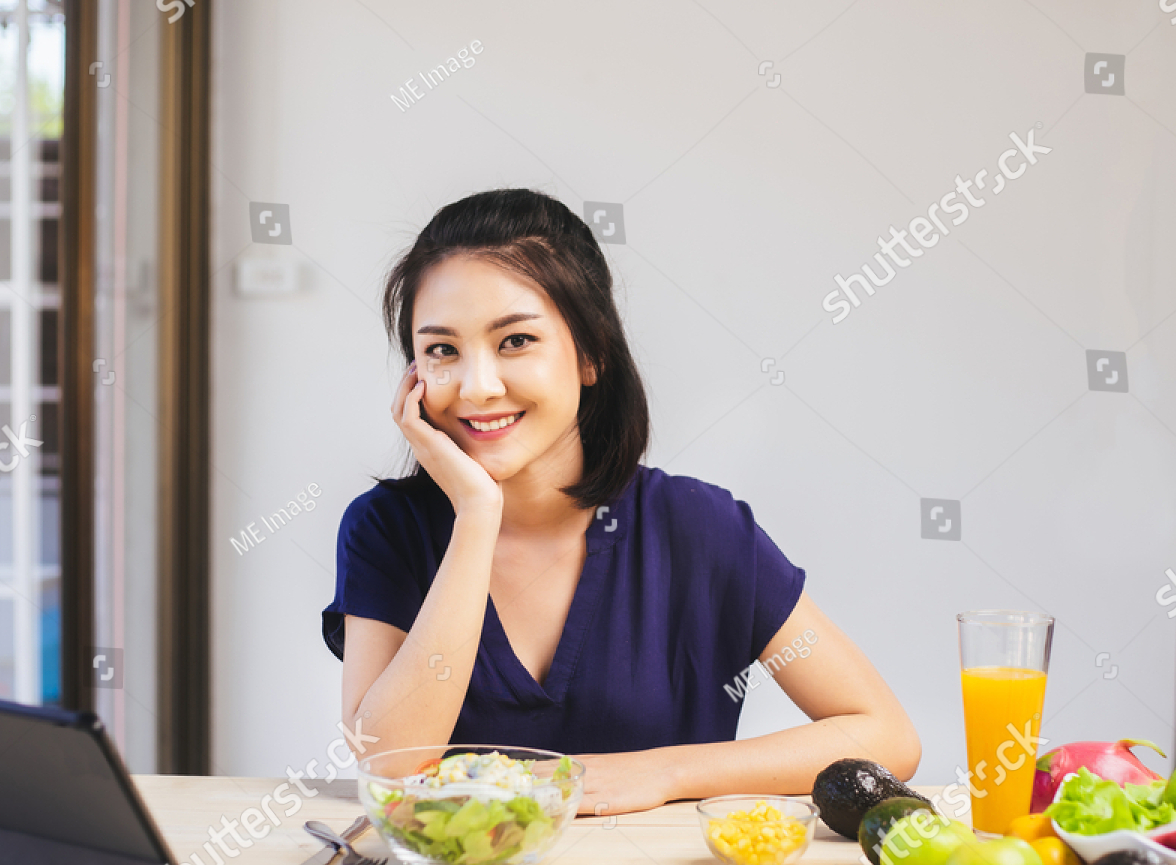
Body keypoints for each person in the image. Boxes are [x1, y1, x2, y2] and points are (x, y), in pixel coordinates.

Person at [323, 188, 919, 814]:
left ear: (590, 354)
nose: (478, 386)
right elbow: (388, 762)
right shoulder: (385, 530)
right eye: (442, 350)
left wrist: (667, 771)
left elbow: (885, 736)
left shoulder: (698, 529)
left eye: (515, 341)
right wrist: (476, 516)